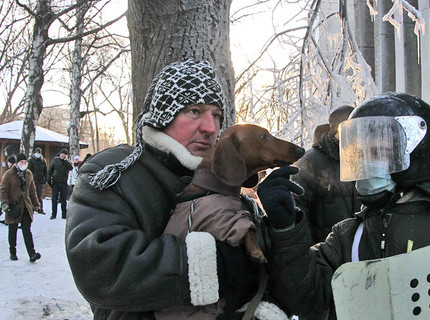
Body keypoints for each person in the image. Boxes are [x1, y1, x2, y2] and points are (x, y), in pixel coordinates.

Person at [65, 60, 268, 319]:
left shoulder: (226, 182)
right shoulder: (114, 172)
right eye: (195, 111)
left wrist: (285, 228)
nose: (211, 127)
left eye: (216, 115)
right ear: (163, 115)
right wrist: (212, 264)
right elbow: (98, 265)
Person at [256, 93, 430, 319]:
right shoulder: (349, 236)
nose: (364, 162)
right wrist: (286, 228)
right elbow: (306, 299)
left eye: (378, 152)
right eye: (361, 153)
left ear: (415, 156)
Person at [291, 106, 360, 246]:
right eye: (349, 130)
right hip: (325, 253)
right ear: (337, 131)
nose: (354, 136)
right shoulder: (310, 163)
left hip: (360, 251)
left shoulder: (365, 159)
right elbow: (297, 212)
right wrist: (311, 253)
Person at [0, 153, 42, 262]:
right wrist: (4, 203)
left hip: (26, 207)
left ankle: (32, 253)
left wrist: (36, 204)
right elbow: (3, 190)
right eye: (21, 162)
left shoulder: (28, 174)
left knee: (27, 230)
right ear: (17, 163)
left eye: (25, 162)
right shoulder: (9, 174)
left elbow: (32, 191)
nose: (23, 164)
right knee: (12, 229)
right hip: (13, 207)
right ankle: (12, 252)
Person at [47, 148, 72, 219]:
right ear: (60, 154)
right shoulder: (55, 160)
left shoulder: (67, 162)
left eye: (64, 155)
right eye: (62, 154)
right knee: (54, 199)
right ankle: (53, 214)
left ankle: (64, 214)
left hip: (63, 182)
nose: (62, 156)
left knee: (63, 199)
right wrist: (48, 179)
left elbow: (70, 168)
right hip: (55, 182)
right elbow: (50, 170)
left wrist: (66, 160)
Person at [28, 147, 47, 214]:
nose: (38, 154)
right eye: (37, 152)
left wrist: (45, 179)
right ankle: (31, 209)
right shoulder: (31, 160)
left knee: (39, 196)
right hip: (32, 181)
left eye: (39, 153)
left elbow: (45, 171)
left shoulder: (43, 161)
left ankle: (40, 208)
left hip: (40, 181)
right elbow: (29, 171)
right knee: (32, 195)